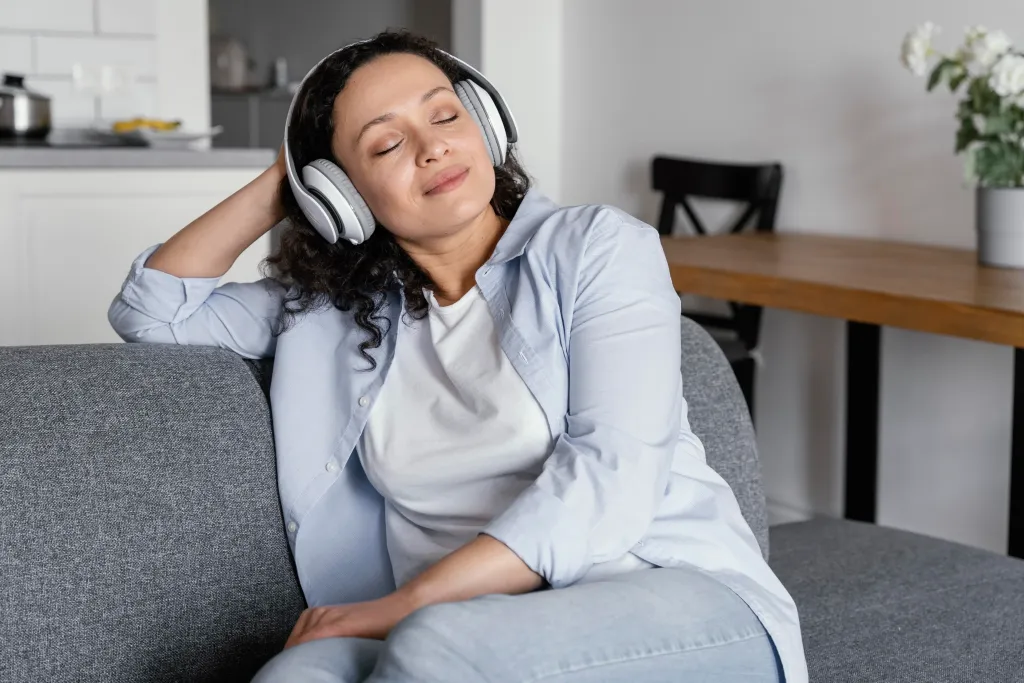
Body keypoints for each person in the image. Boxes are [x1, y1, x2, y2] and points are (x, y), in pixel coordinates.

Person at [108, 30, 807, 683]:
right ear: (341, 196)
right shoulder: (328, 311)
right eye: (384, 146)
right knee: (294, 674)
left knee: (432, 645)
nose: (432, 148)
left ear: (486, 124)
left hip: (670, 601)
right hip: (456, 632)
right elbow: (152, 311)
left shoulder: (597, 248)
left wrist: (402, 605)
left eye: (445, 116)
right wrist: (287, 179)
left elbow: (612, 475)